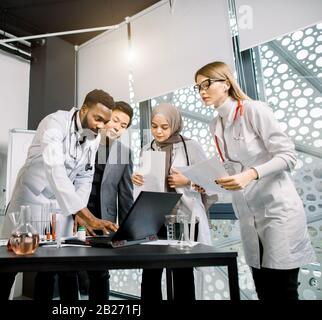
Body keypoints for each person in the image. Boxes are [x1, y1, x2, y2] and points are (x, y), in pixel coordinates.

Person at [194, 61, 316, 300]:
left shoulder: (253, 110)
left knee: (283, 291)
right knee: (263, 290)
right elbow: (233, 170)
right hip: (249, 215)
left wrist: (251, 174)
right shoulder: (215, 125)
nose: (201, 91)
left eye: (206, 84)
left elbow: (288, 156)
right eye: (197, 87)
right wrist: (210, 183)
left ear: (226, 83)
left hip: (277, 211)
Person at [0, 89, 118, 300]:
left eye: (105, 122)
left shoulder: (93, 138)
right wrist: (85, 214)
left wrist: (78, 214)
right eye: (98, 118)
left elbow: (85, 177)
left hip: (61, 206)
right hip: (30, 200)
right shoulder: (54, 123)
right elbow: (54, 167)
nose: (101, 126)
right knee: (9, 266)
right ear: (84, 109)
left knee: (62, 264)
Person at [132, 103, 214, 300]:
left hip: (183, 219)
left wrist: (187, 180)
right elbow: (145, 182)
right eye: (154, 126)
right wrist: (136, 178)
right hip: (154, 219)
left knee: (182, 271)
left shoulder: (190, 146)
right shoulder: (147, 149)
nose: (158, 131)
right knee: (150, 271)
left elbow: (210, 181)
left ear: (175, 125)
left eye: (164, 127)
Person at [83, 101, 134, 300]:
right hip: (74, 217)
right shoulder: (83, 141)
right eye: (115, 120)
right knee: (66, 270)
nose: (117, 128)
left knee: (100, 273)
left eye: (123, 126)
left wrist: (129, 232)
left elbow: (125, 194)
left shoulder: (124, 153)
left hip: (103, 220)